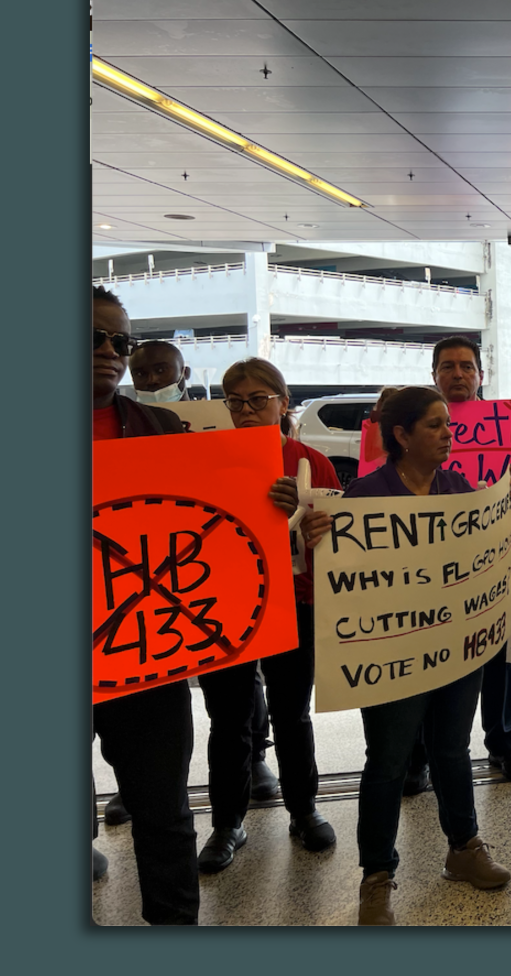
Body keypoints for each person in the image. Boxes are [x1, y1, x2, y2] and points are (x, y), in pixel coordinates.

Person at [311, 386, 511, 923]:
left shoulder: (459, 488)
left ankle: (463, 847)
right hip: (393, 653)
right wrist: (317, 541)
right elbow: (339, 575)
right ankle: (376, 874)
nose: (450, 434)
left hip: (454, 650)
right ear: (400, 436)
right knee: (388, 760)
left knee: (451, 749)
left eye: (449, 424)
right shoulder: (365, 497)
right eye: (435, 425)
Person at [103, 343, 277, 832]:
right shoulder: (137, 423)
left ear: (183, 372)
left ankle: (242, 781)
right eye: (143, 370)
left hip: (218, 583)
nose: (152, 376)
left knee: (237, 699)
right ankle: (139, 786)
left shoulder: (205, 426)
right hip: (145, 587)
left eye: (161, 368)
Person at [193, 358, 338, 874]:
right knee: (228, 719)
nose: (248, 410)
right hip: (224, 607)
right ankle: (227, 822)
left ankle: (304, 809)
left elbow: (336, 546)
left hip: (294, 604)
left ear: (283, 402)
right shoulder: (207, 460)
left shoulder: (311, 462)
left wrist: (306, 522)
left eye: (259, 399)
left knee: (292, 713)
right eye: (237, 401)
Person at [90, 285, 197, 924]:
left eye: (119, 342)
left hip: (144, 650)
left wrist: (263, 502)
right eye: (92, 338)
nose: (109, 352)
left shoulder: (161, 427)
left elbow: (202, 524)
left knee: (163, 808)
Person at [427, 336, 511, 783]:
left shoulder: (508, 426)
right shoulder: (413, 425)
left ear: (480, 375)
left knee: (499, 653)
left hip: (495, 558)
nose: (458, 375)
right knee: (428, 654)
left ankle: (504, 740)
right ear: (433, 375)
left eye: (466, 367)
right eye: (448, 366)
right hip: (430, 565)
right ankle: (424, 750)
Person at [127, 339, 198, 404]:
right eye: (140, 374)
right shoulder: (126, 417)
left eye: (161, 370)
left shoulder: (207, 416)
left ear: (185, 373)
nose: (151, 380)